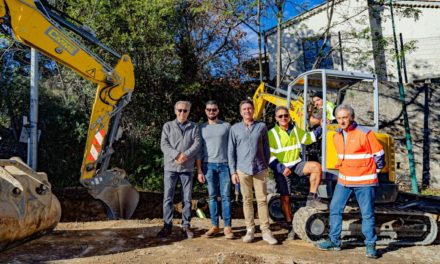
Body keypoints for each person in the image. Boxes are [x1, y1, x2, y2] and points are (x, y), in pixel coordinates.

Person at [316, 104, 385, 259]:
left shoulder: (365, 133)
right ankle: (334, 241)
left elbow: (379, 155)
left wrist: (375, 171)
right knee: (335, 208)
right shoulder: (337, 136)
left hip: (364, 181)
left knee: (367, 214)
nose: (342, 121)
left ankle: (370, 245)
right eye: (339, 118)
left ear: (351, 117)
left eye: (345, 117)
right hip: (344, 181)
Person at [268, 106, 327, 240]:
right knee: (285, 198)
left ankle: (312, 198)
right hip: (282, 169)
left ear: (289, 116)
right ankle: (290, 226)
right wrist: (281, 168)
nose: (283, 118)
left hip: (296, 165)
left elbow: (309, 138)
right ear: (276, 119)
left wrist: (322, 127)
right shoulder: (271, 134)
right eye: (280, 116)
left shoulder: (294, 130)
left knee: (316, 167)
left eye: (285, 116)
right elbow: (269, 156)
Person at [228, 99, 277, 245]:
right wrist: (233, 172)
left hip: (259, 168)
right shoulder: (234, 129)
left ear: (253, 110)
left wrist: (265, 165)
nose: (247, 111)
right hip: (242, 170)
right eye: (244, 109)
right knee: (247, 200)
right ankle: (250, 230)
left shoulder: (261, 127)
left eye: (249, 108)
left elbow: (266, 149)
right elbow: (230, 151)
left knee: (262, 200)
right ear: (241, 112)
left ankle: (266, 231)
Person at [158, 101, 201, 239]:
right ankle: (167, 226)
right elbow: (164, 144)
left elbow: (197, 143)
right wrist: (176, 155)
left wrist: (186, 154)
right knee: (168, 198)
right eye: (180, 110)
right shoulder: (168, 126)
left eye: (185, 111)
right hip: (171, 167)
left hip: (187, 168)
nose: (182, 113)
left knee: (187, 199)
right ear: (175, 111)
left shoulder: (194, 127)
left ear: (189, 111)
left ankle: (186, 225)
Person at [196, 100, 234, 239]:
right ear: (205, 111)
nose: (211, 112)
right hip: (208, 166)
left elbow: (232, 148)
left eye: (214, 109)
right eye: (209, 109)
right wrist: (199, 170)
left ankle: (227, 227)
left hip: (225, 165)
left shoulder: (226, 126)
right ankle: (214, 226)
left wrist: (233, 168)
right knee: (212, 197)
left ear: (218, 110)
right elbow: (199, 151)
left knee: (226, 197)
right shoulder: (201, 128)